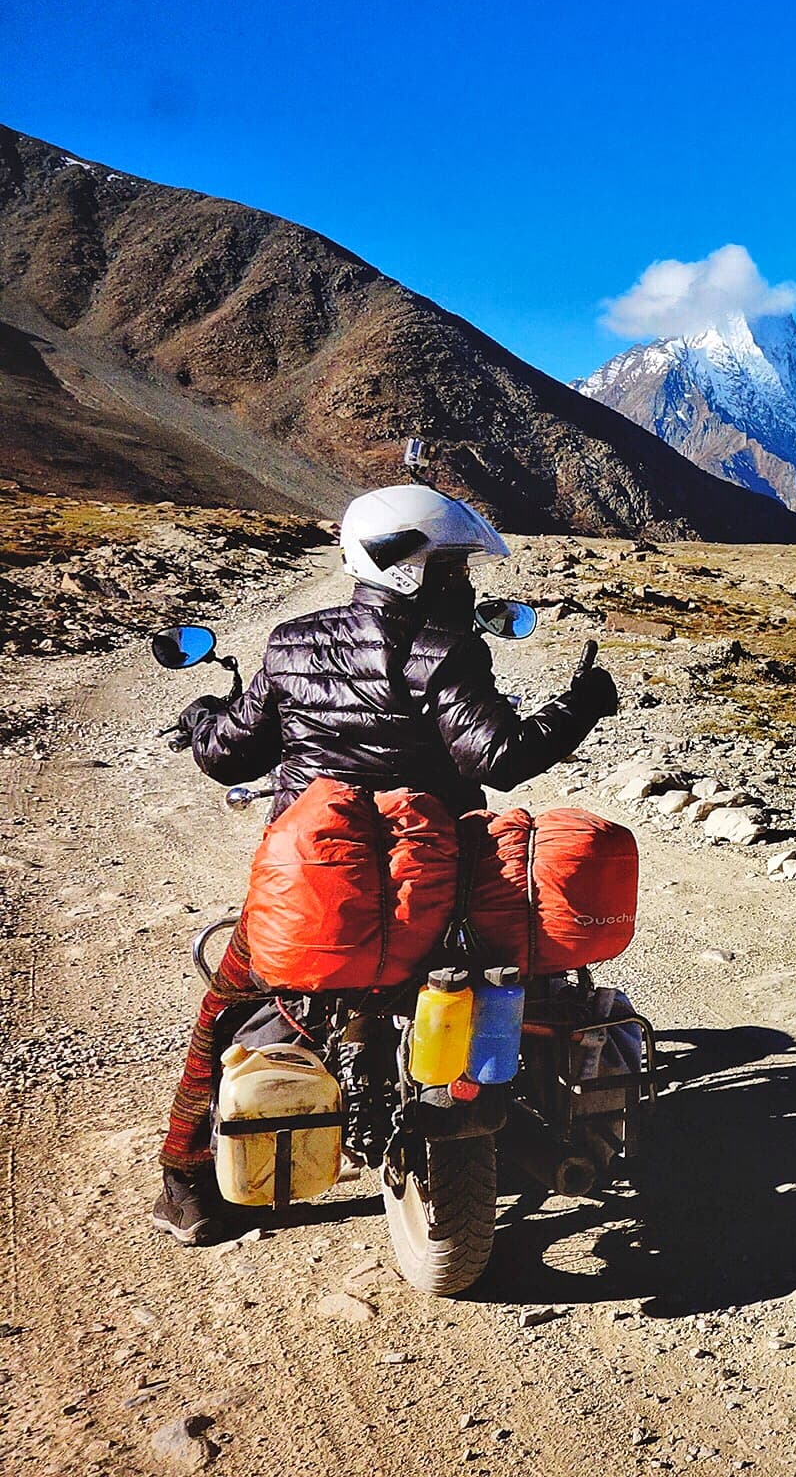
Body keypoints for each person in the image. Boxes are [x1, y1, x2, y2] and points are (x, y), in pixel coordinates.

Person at [152, 484, 620, 1244]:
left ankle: (184, 1180)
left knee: (227, 1005)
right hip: (437, 883)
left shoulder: (288, 643)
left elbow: (231, 751)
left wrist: (201, 715)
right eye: (452, 566)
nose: (463, 580)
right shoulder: (448, 647)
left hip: (319, 887)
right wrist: (582, 704)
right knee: (526, 973)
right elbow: (498, 757)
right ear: (409, 566)